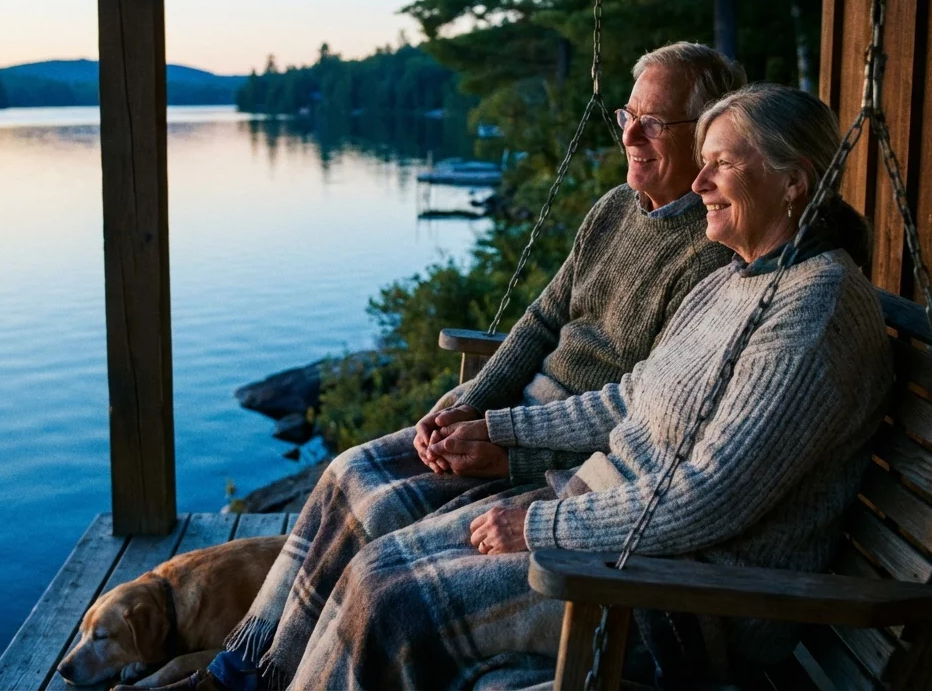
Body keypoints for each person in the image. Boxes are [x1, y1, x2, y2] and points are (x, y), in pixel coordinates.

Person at [143, 43, 745, 691]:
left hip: (560, 455)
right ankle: (242, 670)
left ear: (710, 133)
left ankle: (277, 678)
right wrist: (466, 404)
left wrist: (507, 452)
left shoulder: (712, 253)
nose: (629, 134)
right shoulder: (612, 211)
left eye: (653, 123)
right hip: (511, 421)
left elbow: (645, 417)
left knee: (380, 523)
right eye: (626, 115)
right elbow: (542, 320)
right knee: (345, 473)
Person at [289, 83, 894, 690]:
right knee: (378, 565)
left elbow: (707, 497)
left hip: (686, 599)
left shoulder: (814, 312)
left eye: (723, 164)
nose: (700, 182)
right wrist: (499, 426)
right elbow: (629, 397)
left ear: (794, 182)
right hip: (610, 527)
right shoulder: (736, 280)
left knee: (396, 605)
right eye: (703, 161)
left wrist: (540, 527)